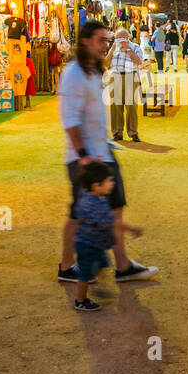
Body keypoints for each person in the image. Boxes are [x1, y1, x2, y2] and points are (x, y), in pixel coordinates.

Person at [56, 20, 158, 284]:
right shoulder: (74, 74)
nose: (106, 45)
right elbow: (70, 120)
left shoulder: (92, 71)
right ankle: (67, 266)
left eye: (107, 40)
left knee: (114, 207)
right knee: (78, 213)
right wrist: (83, 156)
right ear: (86, 42)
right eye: (102, 40)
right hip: (85, 158)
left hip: (103, 152)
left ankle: (122, 265)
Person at [71, 160, 144, 312]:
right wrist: (132, 229)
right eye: (108, 181)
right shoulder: (95, 205)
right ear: (96, 185)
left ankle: (98, 285)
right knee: (84, 275)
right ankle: (81, 300)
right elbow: (114, 222)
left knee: (103, 264)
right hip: (88, 246)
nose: (112, 183)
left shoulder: (90, 193)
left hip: (96, 244)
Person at [107, 28, 143, 142]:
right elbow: (105, 63)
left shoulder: (135, 47)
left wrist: (128, 49)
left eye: (121, 38)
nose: (118, 41)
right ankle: (117, 133)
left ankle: (133, 132)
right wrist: (112, 50)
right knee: (116, 106)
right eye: (116, 38)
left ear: (127, 38)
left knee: (131, 105)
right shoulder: (113, 48)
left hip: (130, 76)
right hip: (115, 76)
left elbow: (139, 61)